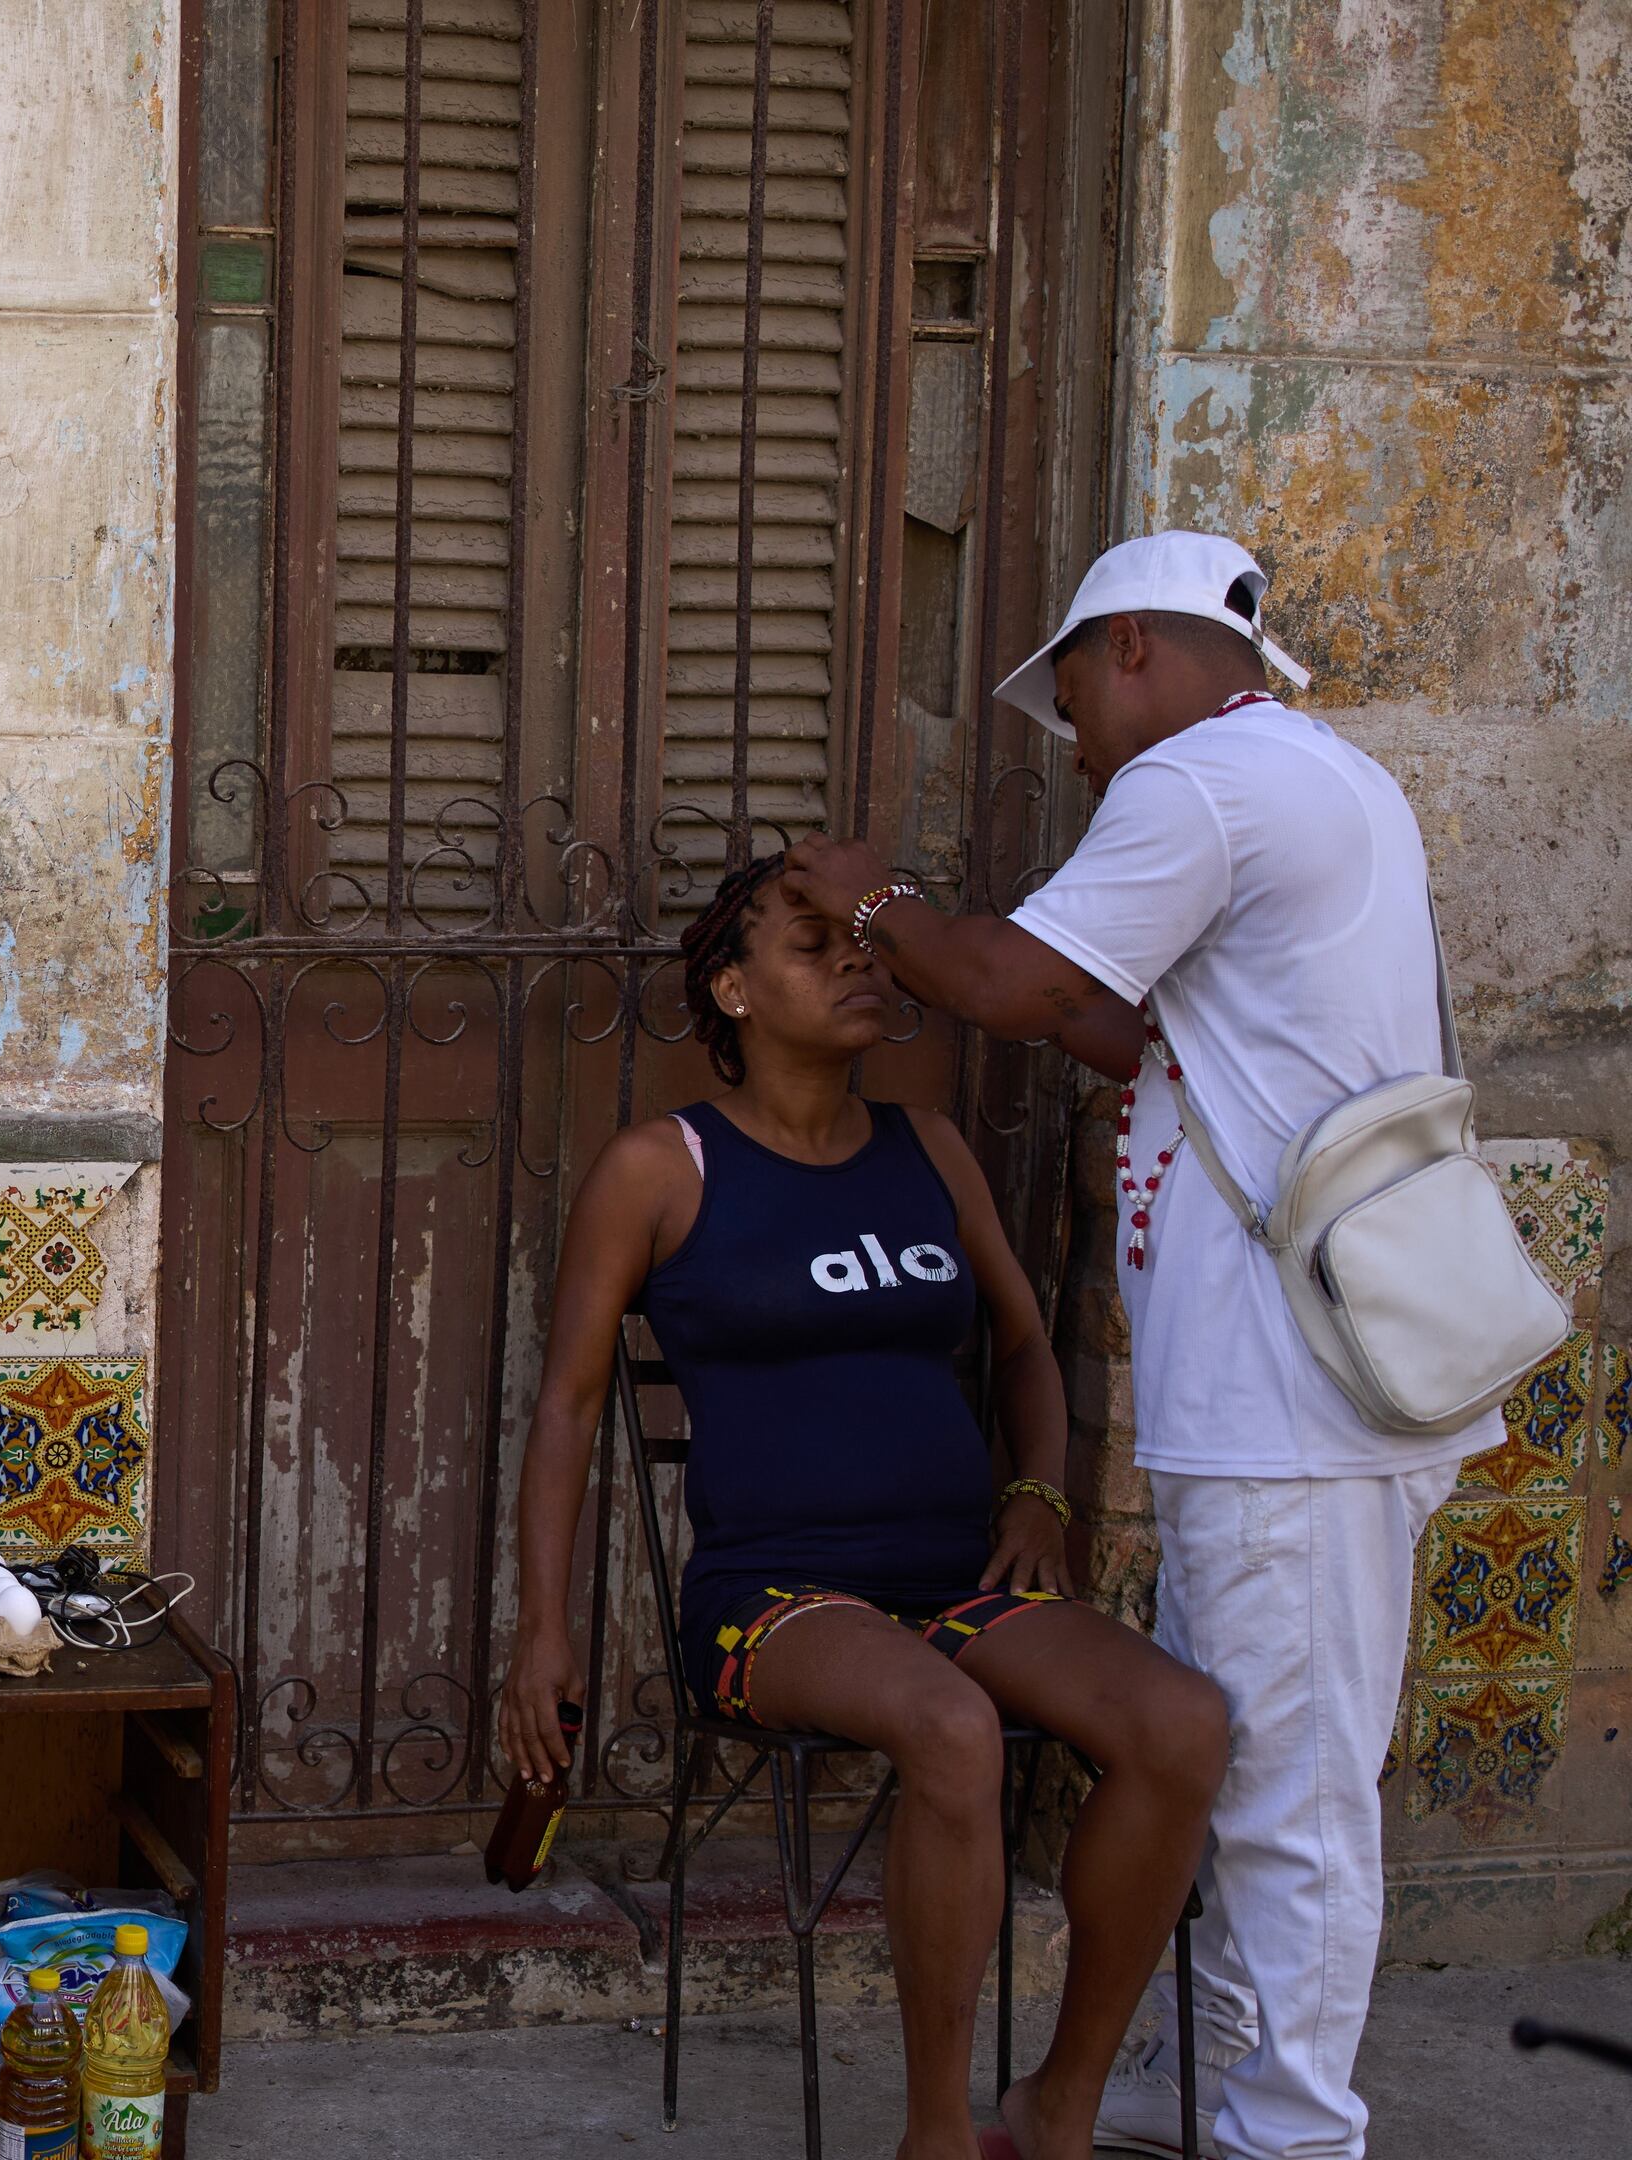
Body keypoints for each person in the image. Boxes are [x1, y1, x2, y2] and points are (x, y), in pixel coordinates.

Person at [777, 531, 1471, 2160]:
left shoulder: (1207, 786)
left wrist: (871, 894)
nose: (1073, 737)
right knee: (1254, 1767)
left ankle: (1290, 2131)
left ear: (1138, 651)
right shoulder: (1326, 777)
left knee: (1289, 1805)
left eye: (1072, 692)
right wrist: (940, 959)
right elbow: (1132, 1027)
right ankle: (1211, 2074)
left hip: (1293, 1397)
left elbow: (1021, 983)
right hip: (1310, 1382)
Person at [500, 852, 1230, 2160]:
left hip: (956, 1575)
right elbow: (565, 1405)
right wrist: (541, 1632)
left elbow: (1020, 1345)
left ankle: (1058, 2104)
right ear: (729, 990)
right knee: (950, 1728)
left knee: (1181, 1722)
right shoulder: (661, 1171)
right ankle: (936, 2133)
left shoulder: (928, 1151)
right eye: (811, 943)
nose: (855, 962)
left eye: (862, 943)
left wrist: (1035, 1491)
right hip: (774, 1601)